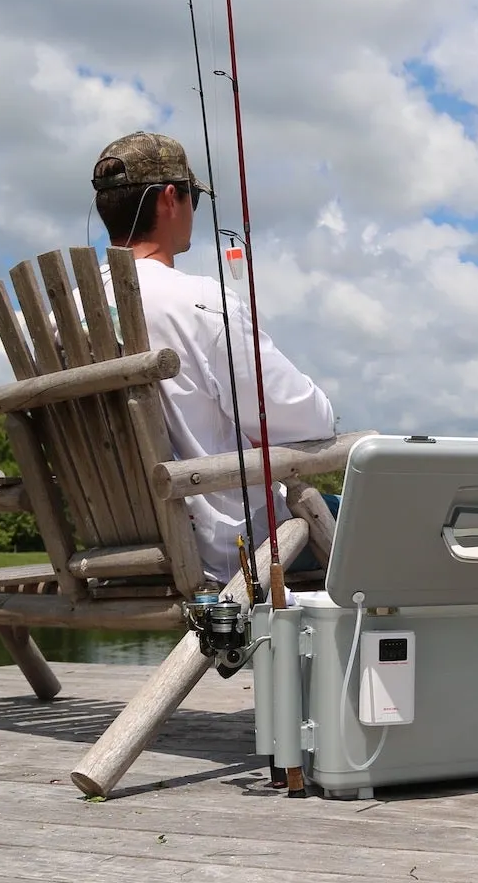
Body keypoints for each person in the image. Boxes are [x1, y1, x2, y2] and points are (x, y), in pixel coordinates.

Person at [91, 132, 335, 585]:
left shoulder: (61, 315)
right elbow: (311, 421)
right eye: (193, 200)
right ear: (169, 199)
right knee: (385, 518)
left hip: (112, 553)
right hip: (232, 551)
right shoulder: (200, 301)